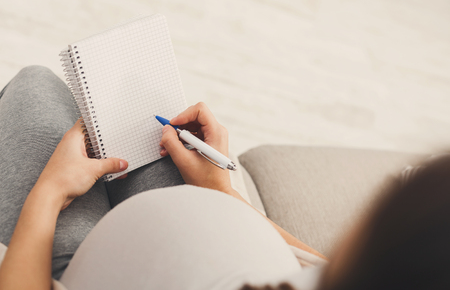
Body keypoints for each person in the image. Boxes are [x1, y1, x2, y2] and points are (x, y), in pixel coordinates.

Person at [0, 66, 325, 290]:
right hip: (205, 216)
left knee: (37, 84)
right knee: (149, 133)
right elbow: (314, 263)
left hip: (71, 273)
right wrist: (220, 190)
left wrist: (50, 190)